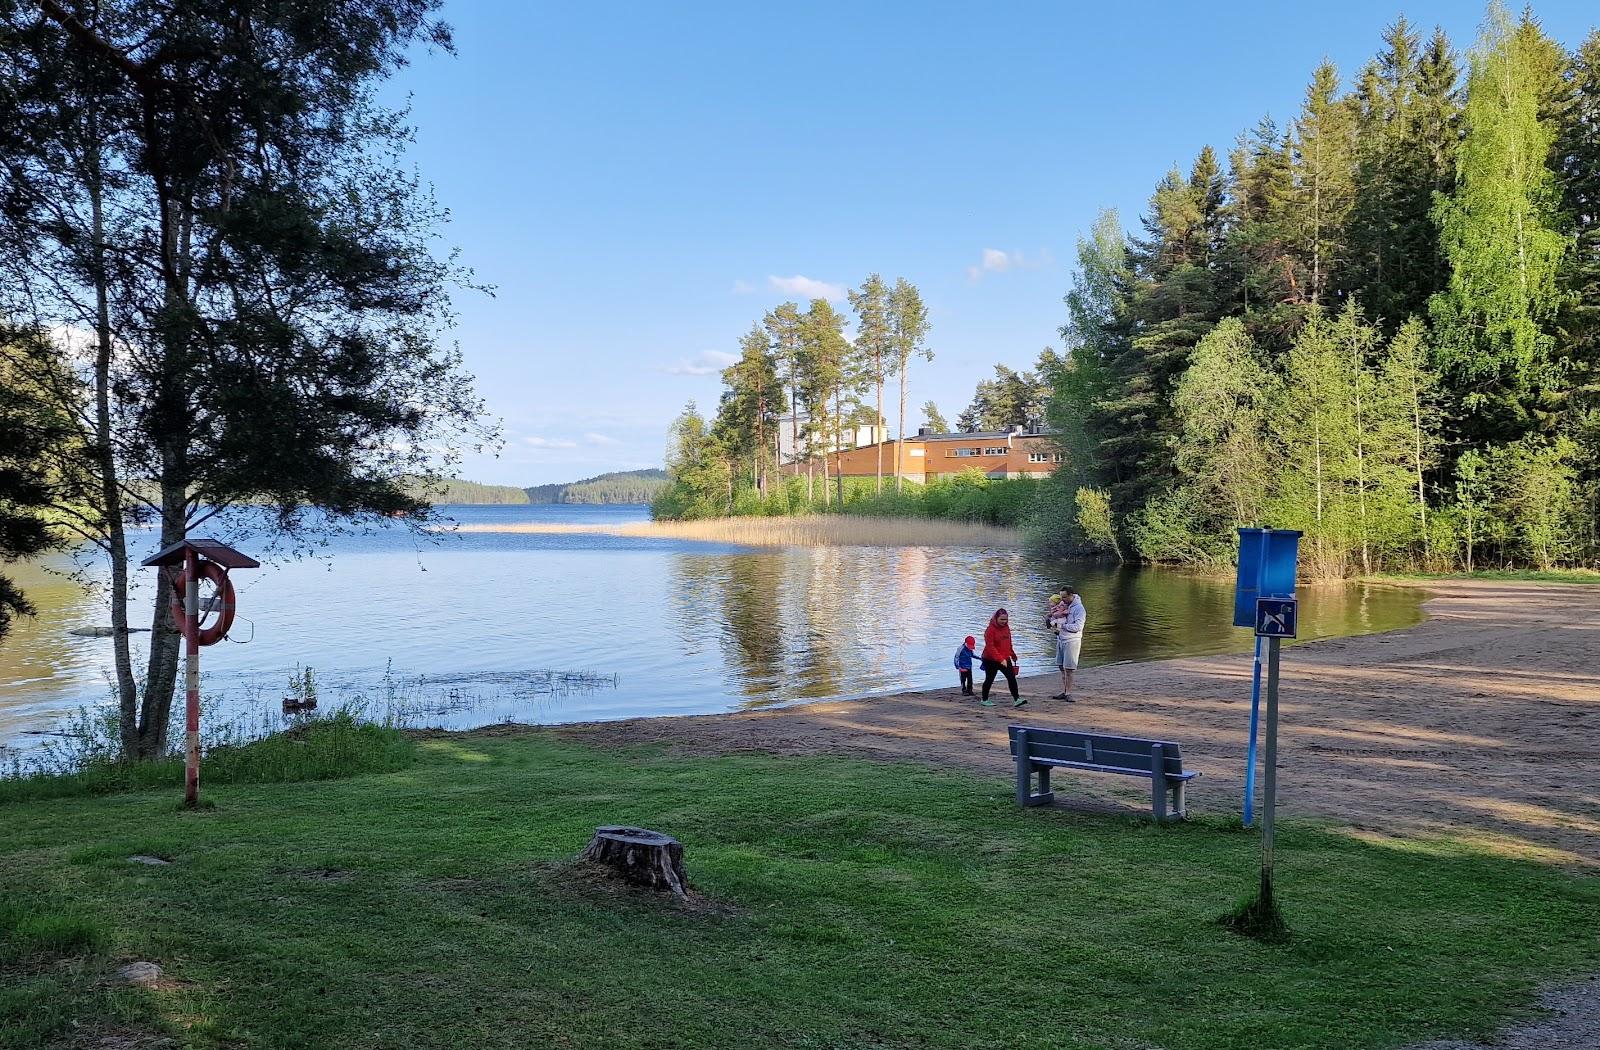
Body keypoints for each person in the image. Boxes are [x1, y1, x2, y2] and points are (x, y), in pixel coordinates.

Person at [978, 608, 1023, 708]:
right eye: (1001, 619)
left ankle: (1017, 699)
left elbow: (1008, 643)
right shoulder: (990, 630)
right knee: (989, 679)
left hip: (1005, 657)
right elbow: (990, 647)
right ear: (996, 618)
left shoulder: (1006, 628)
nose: (1004, 622)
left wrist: (1013, 655)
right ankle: (984, 699)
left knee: (1011, 678)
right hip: (990, 659)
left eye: (1005, 619)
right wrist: (1000, 659)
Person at [1047, 586, 1086, 701]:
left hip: (1072, 641)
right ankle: (1064, 691)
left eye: (1064, 597)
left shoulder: (1079, 609)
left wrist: (1061, 626)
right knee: (1060, 666)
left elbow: (1078, 627)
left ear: (1071, 595)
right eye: (1061, 597)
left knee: (1069, 669)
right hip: (1061, 639)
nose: (1062, 599)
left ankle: (1068, 693)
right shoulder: (1063, 605)